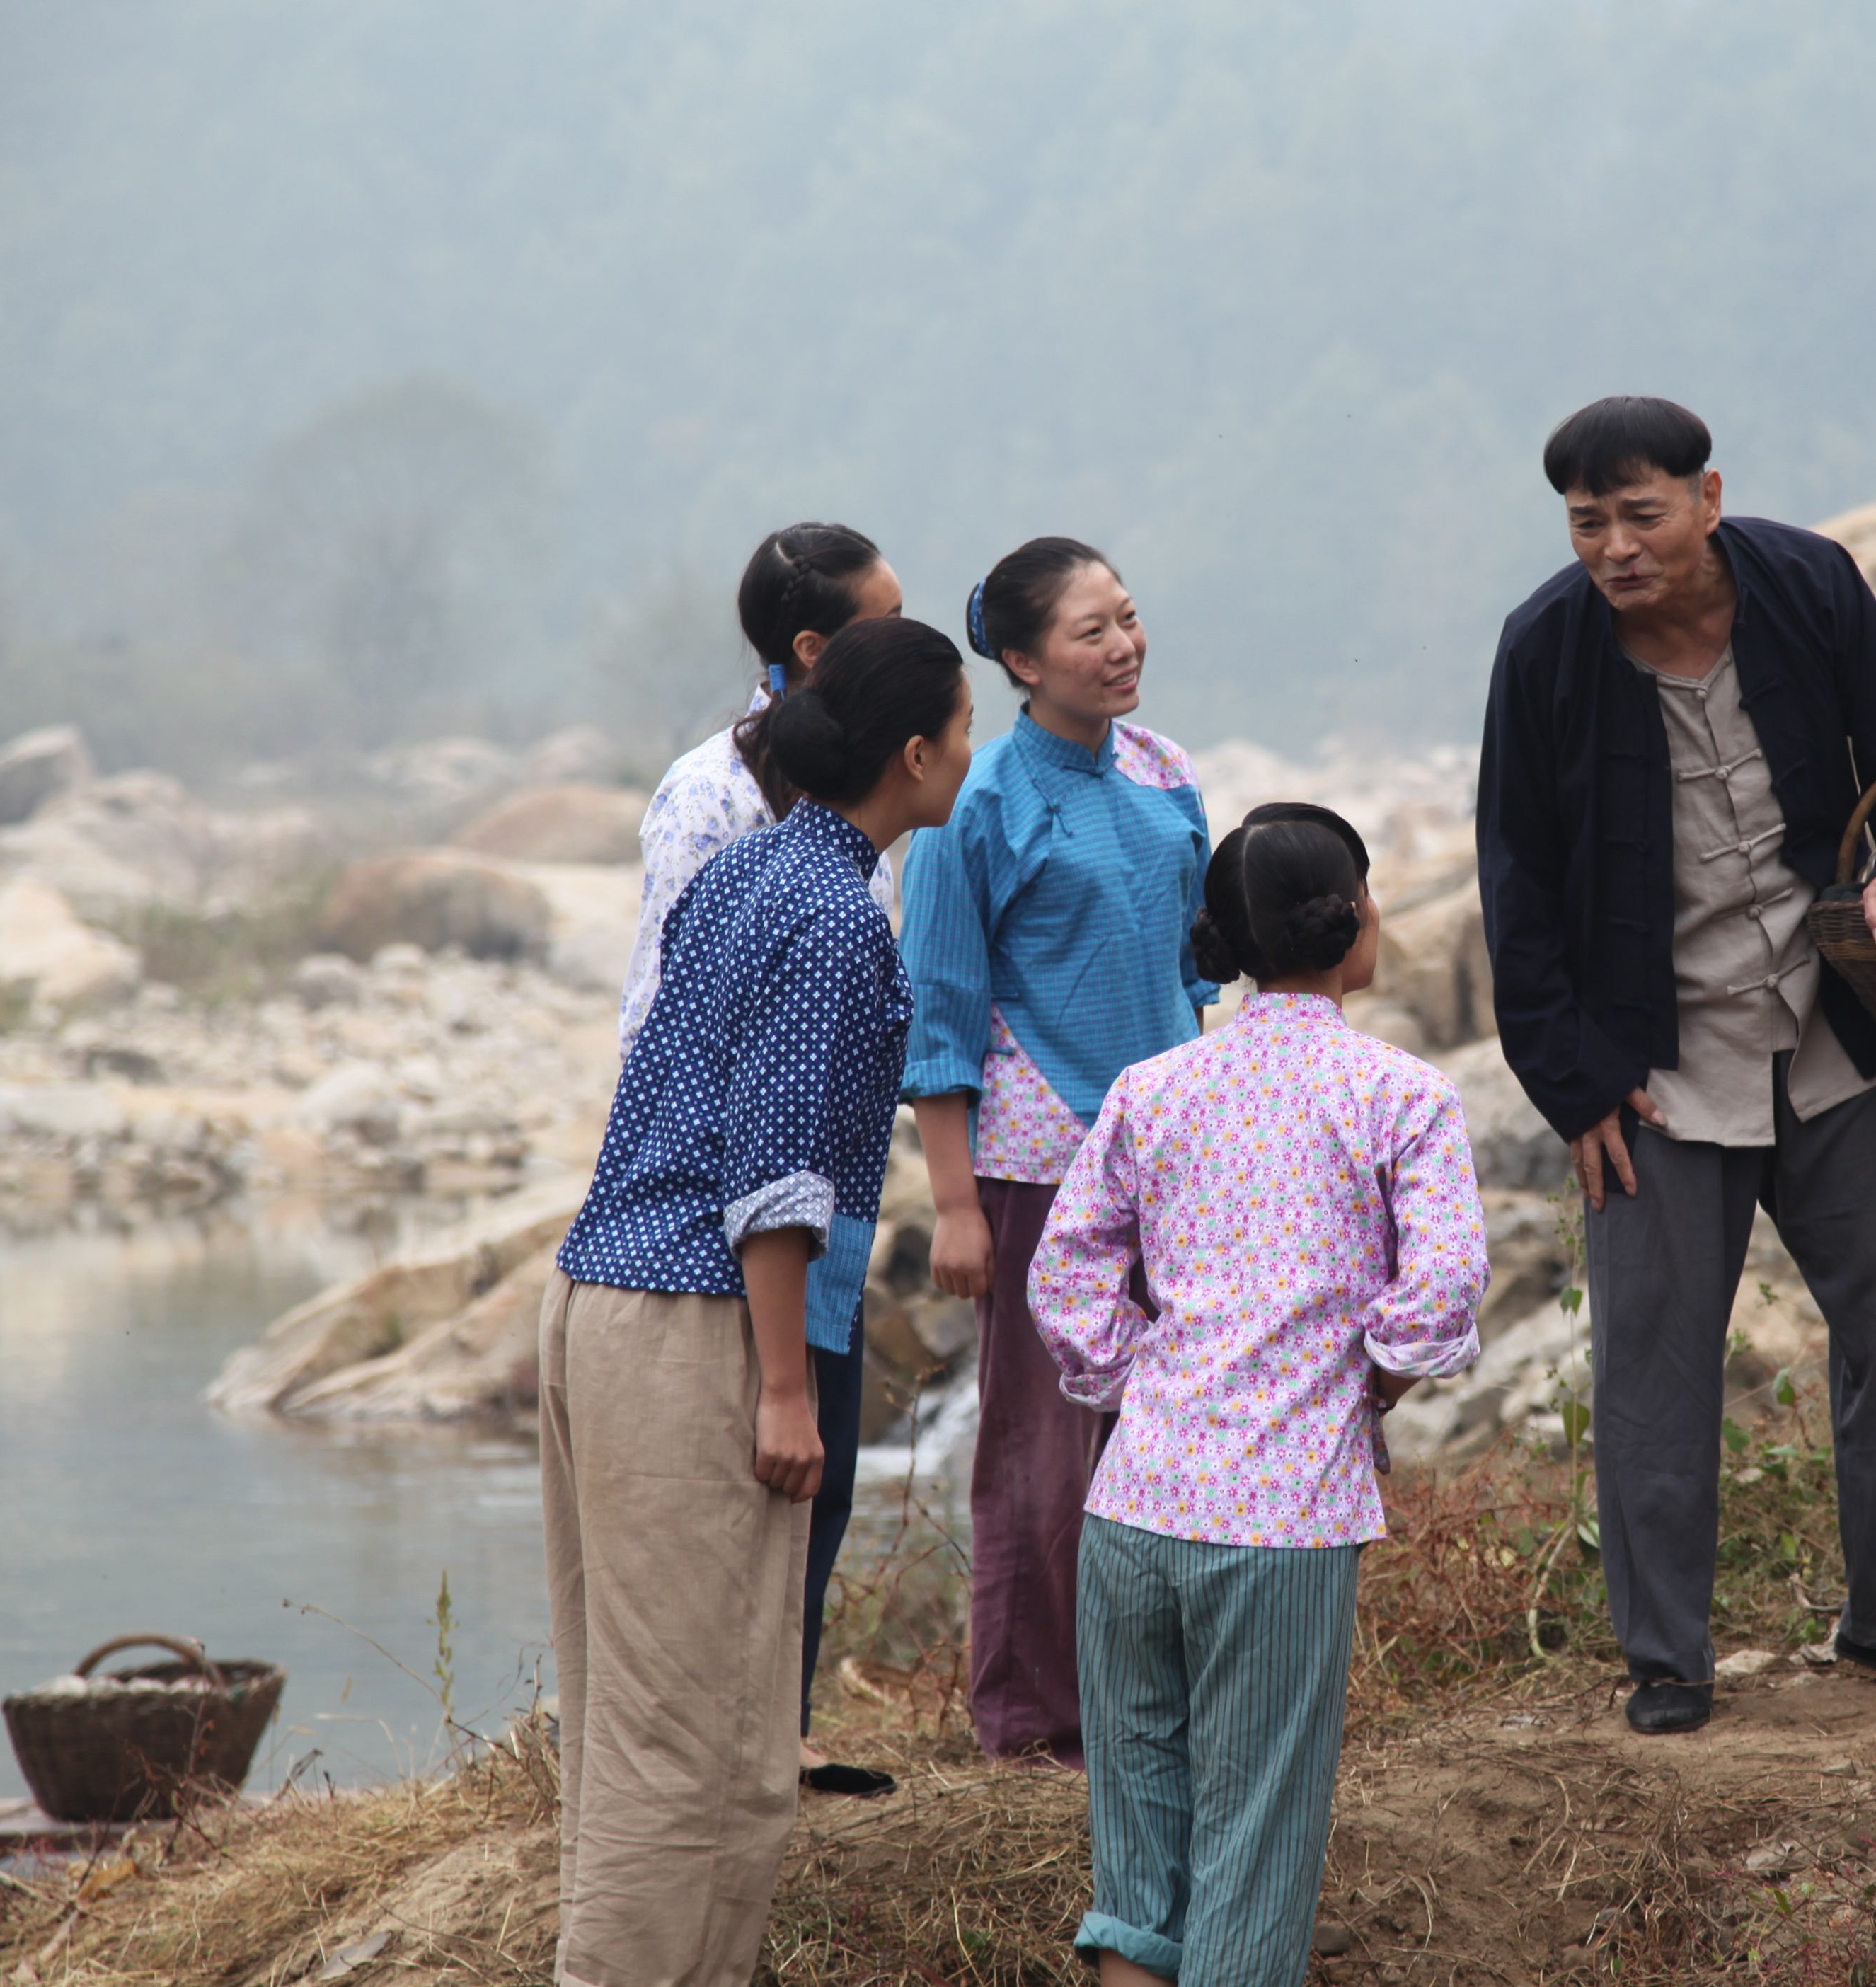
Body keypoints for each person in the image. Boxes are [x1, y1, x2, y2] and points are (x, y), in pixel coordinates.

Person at [1478, 394, 1876, 1739]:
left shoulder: (1806, 580)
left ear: (1707, 499)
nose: (1615, 547)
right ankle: (1668, 1660)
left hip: (1832, 1031)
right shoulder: (1543, 652)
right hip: (1657, 1071)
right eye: (1587, 523)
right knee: (1654, 1369)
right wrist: (1572, 1085)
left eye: (1640, 514)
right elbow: (1518, 887)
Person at [541, 616, 974, 1987]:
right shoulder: (837, 914)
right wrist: (788, 1392)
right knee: (697, 1749)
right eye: (966, 730)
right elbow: (778, 1181)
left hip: (600, 1298)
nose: (975, 752)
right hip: (692, 1325)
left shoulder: (753, 872)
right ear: (912, 756)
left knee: (655, 1729)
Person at [1031, 803, 1486, 1986]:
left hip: (1133, 1507)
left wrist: (1148, 1380)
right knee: (1253, 1853)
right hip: (1280, 1523)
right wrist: (1367, 1377)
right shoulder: (1401, 1096)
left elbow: (1065, 1274)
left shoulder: (1153, 1087)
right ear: (1346, 924)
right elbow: (1440, 1291)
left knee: (1139, 1862)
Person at [899, 536, 1215, 1766]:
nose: (1124, 646)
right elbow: (940, 1007)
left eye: (1128, 619)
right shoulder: (978, 803)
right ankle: (1031, 1724)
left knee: (1165, 1436)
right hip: (1037, 1166)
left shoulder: (1166, 769)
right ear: (1024, 661)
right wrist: (955, 1203)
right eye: (1091, 632)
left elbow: (1193, 962)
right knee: (1039, 1449)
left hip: (1171, 1159)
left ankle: (1145, 1708)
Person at [618, 520, 906, 1796]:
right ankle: (721, 1743)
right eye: (876, 621)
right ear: (810, 648)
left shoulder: (863, 804)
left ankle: (778, 1725)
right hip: (729, 1195)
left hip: (822, 1179)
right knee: (748, 1458)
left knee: (819, 1475)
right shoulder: (710, 796)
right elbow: (662, 1013)